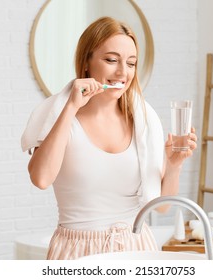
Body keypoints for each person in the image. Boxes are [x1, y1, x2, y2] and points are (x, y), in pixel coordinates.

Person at [21, 16, 197, 260]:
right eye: (111, 60)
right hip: (77, 251)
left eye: (131, 63)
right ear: (86, 62)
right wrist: (70, 107)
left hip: (138, 248)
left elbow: (162, 206)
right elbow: (40, 178)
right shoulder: (62, 117)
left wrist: (174, 165)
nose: (123, 72)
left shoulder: (143, 122)